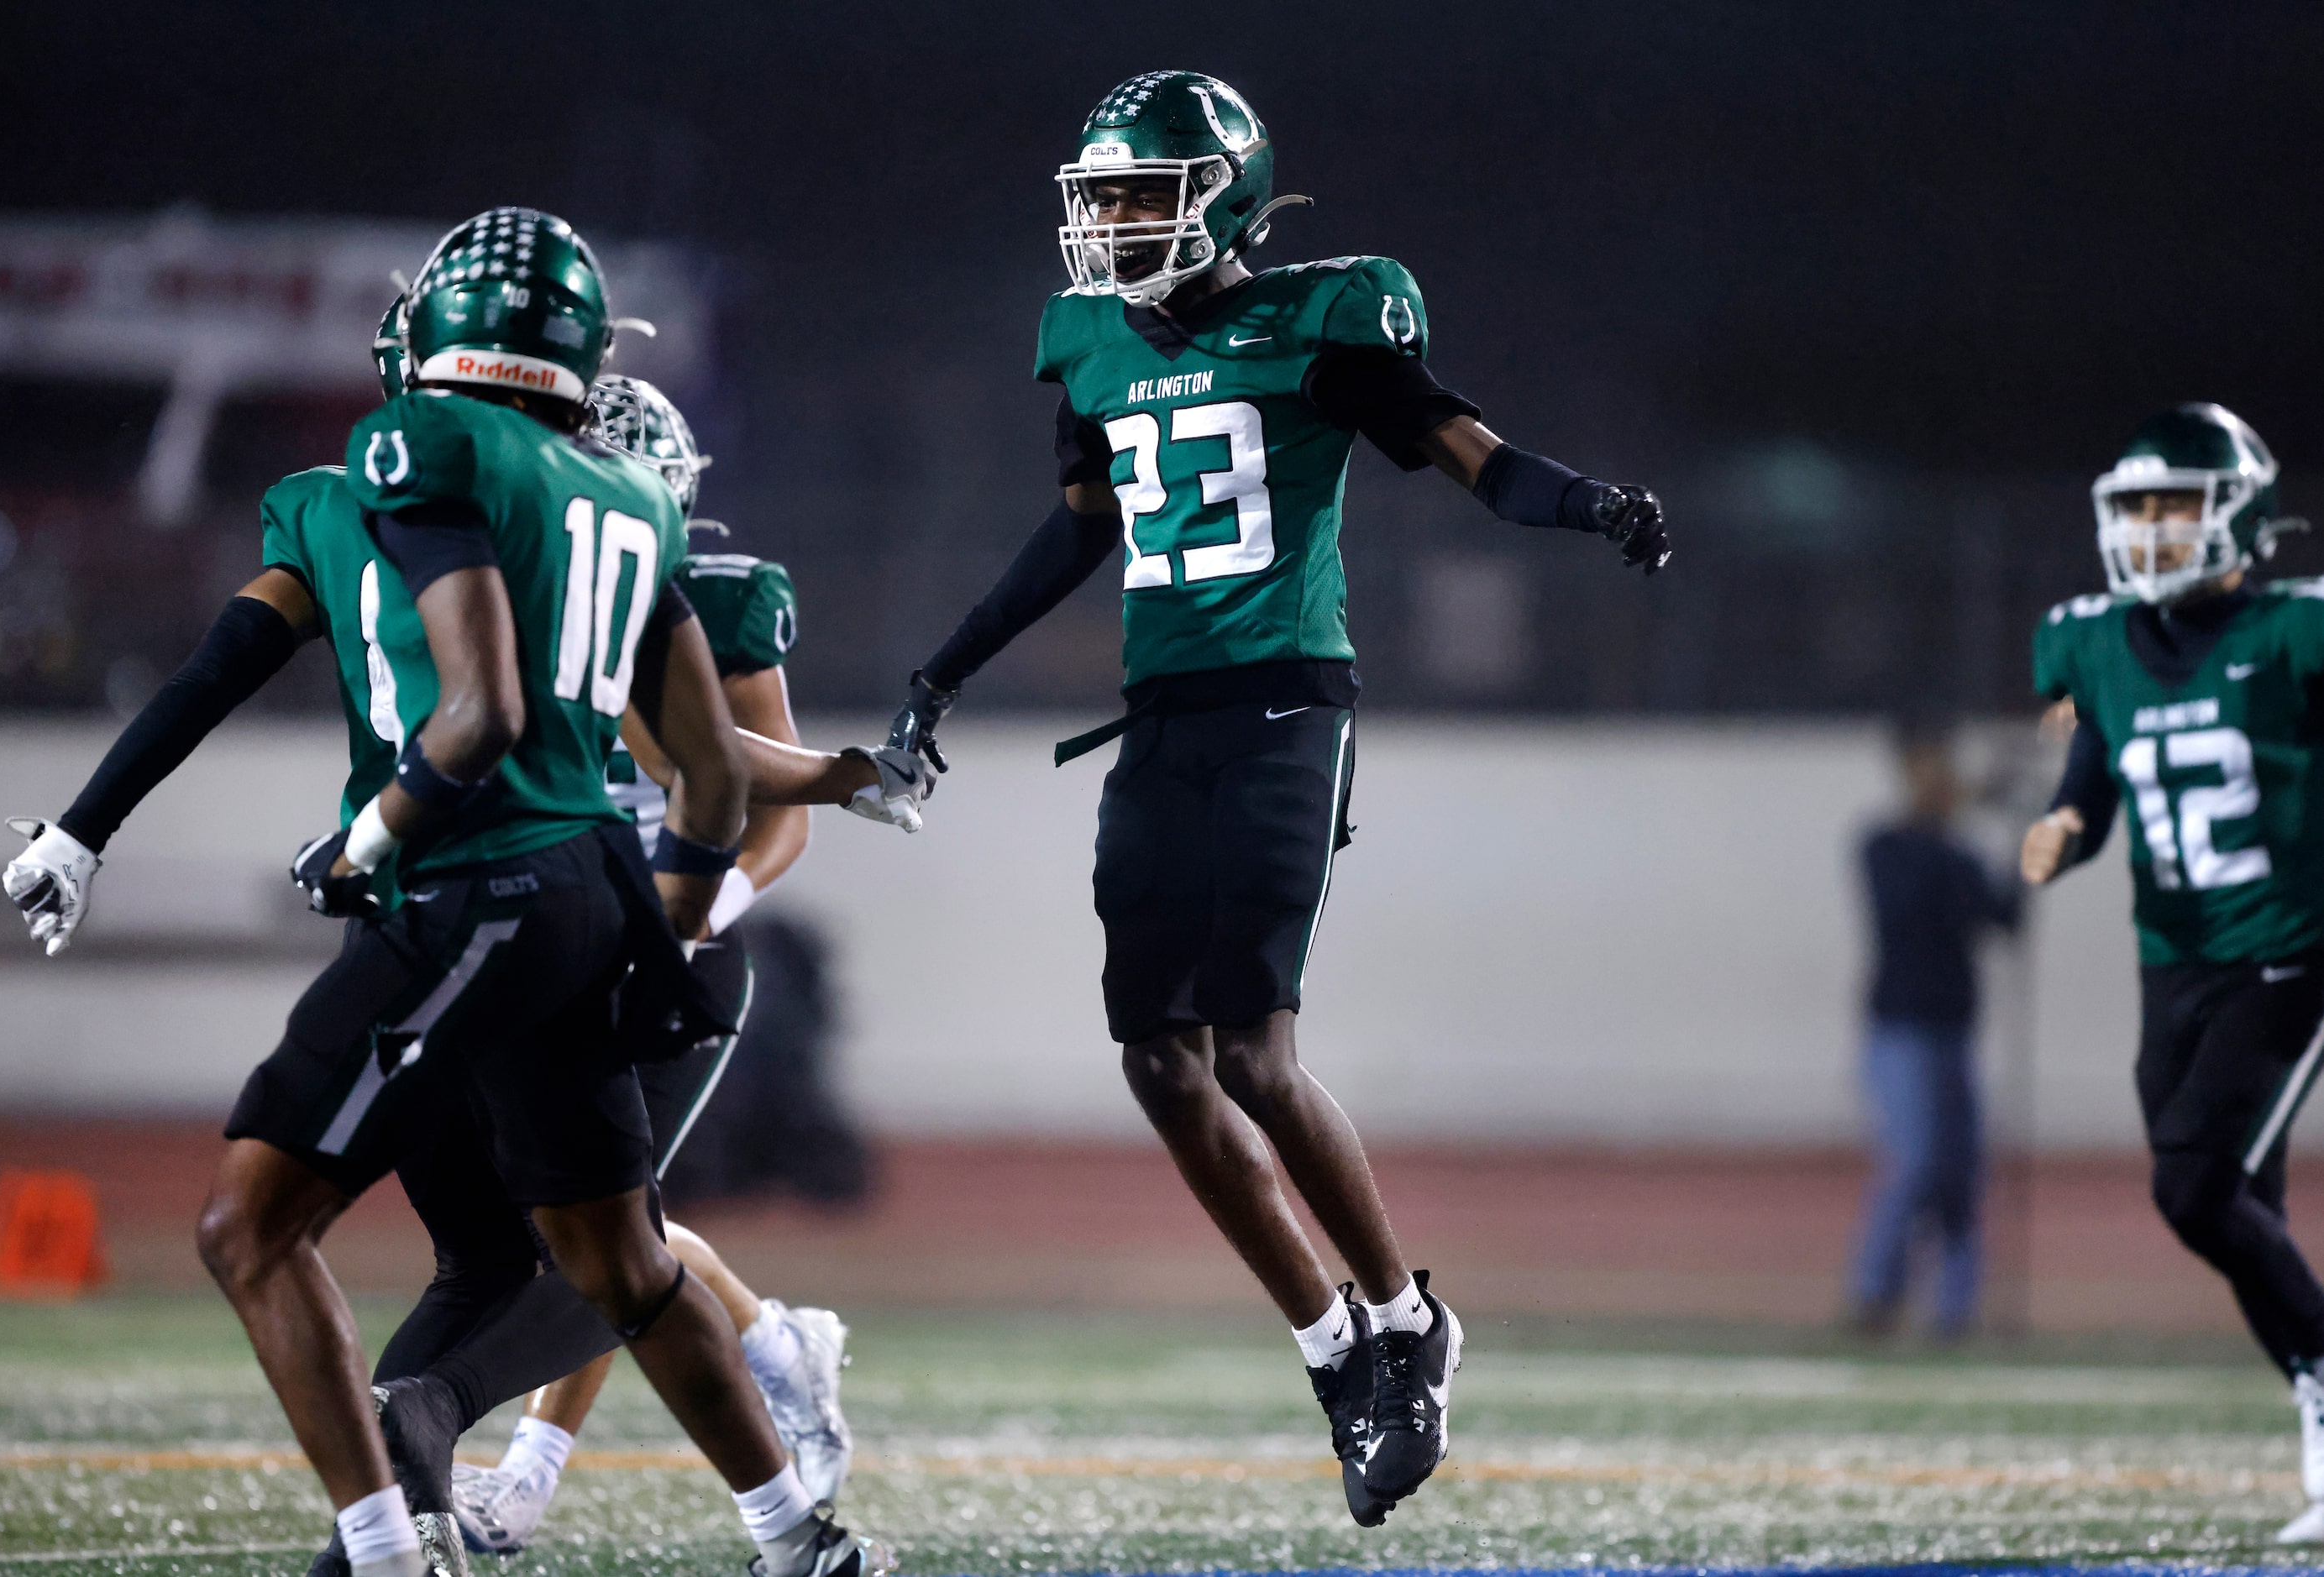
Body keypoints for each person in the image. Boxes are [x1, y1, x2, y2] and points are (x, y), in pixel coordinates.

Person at [1, 209, 915, 1577]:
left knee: (250, 1222)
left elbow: (465, 715)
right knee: (617, 1255)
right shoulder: (623, 494)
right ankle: (799, 1538)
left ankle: (381, 1552)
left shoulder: (413, 453)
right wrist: (678, 904)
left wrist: (362, 834)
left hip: (462, 883)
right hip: (587, 902)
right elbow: (713, 778)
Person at [883, 71, 1672, 1527]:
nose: (1112, 225)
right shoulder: (1091, 345)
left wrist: (1590, 503)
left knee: (1252, 1052)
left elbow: (1471, 460)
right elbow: (1075, 537)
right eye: (1100, 196)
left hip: (1285, 706)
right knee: (1154, 1061)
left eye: (1141, 194)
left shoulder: (1328, 317)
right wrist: (939, 672)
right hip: (1160, 719)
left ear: (1225, 196)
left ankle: (1404, 1318)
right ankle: (1332, 1354)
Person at [445, 375, 853, 1555]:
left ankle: (528, 1475)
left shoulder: (721, 604)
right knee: (596, 1218)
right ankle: (776, 1342)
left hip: (669, 943)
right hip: (557, 930)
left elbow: (778, 804)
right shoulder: (513, 599)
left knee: (594, 1224)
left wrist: (698, 909)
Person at [2020, 402, 2324, 1544]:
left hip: (2290, 947)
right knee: (2240, 1205)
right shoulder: (2089, 639)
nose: (2150, 528)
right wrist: (2063, 820)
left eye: (2175, 504)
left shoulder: (2297, 629)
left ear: (2238, 511)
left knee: (2191, 1186)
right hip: (2174, 960)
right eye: (2135, 505)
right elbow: (2095, 763)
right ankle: (2315, 1405)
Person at [1847, 723, 2020, 1339]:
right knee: (1915, 1161)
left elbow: (2006, 919)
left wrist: (2022, 835)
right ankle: (1875, 1295)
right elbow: (1908, 906)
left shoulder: (1960, 854)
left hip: (1954, 1029)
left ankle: (1956, 1308)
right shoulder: (1885, 845)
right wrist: (1962, 826)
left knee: (1961, 1174)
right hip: (1900, 1028)